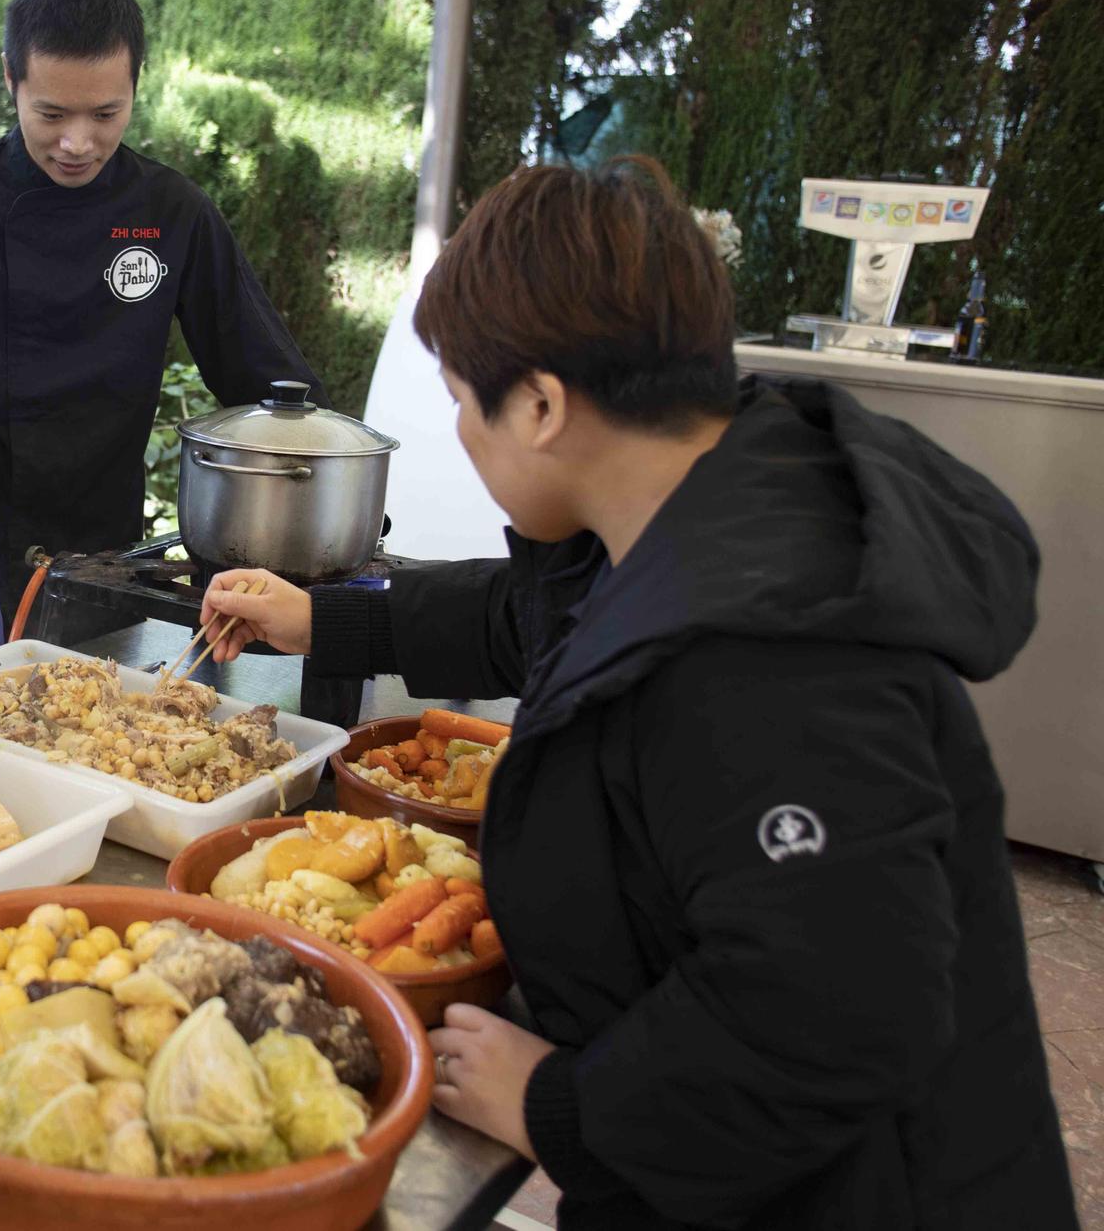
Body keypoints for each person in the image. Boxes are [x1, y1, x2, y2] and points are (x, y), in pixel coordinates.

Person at [195, 158, 1078, 1228]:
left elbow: (832, 1011)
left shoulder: (769, 656)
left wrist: (558, 1106)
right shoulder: (689, 506)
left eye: (462, 406)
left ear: (539, 404)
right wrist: (323, 615)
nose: (463, 435)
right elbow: (534, 611)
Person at [0, 0, 328, 652]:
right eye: (51, 114)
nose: (78, 143)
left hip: (109, 572)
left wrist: (312, 506)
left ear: (135, 87)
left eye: (106, 113)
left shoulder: (171, 212)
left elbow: (272, 387)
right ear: (11, 82)